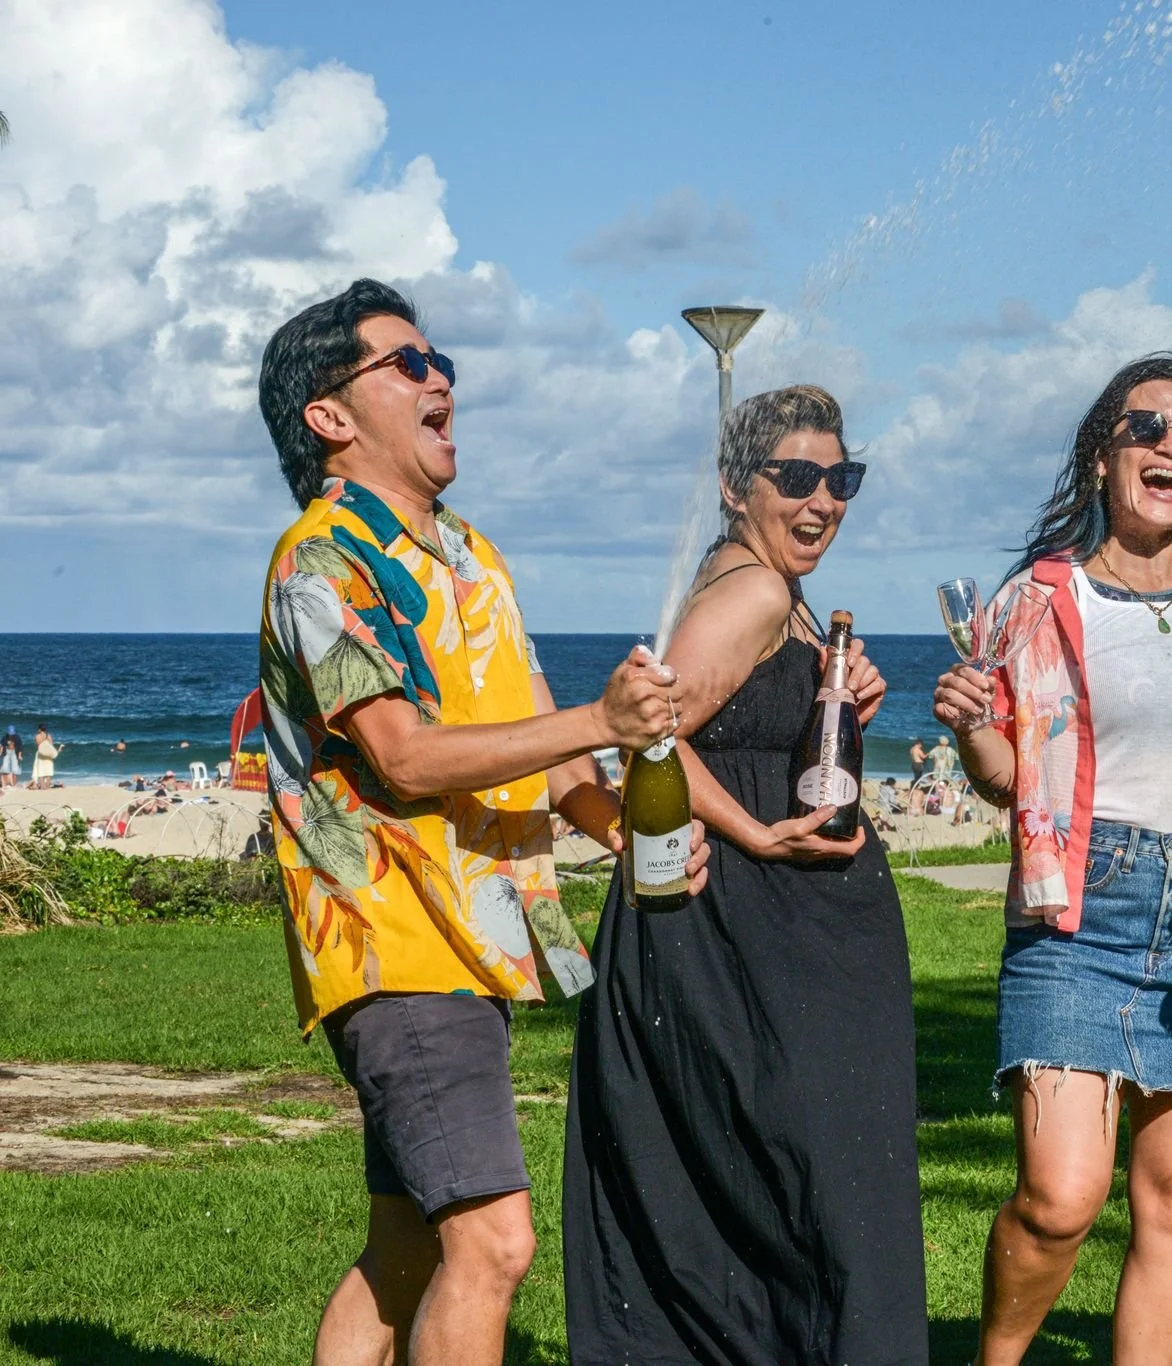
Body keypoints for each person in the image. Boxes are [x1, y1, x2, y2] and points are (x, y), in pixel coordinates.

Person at [255, 278, 708, 1366]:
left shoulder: (471, 556)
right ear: (330, 415)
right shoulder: (322, 561)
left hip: (477, 942)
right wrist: (596, 716)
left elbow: (536, 748)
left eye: (439, 358)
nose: (440, 375)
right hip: (395, 940)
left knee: (406, 1245)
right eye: (406, 363)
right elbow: (405, 754)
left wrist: (620, 825)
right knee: (494, 1244)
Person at [563, 385, 927, 1363]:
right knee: (819, 1192)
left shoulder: (770, 583)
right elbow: (656, 741)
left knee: (772, 1191)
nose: (822, 500)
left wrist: (836, 706)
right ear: (734, 487)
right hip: (748, 930)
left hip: (769, 935)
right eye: (796, 478)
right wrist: (756, 837)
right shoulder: (757, 589)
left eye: (839, 478)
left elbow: (741, 736)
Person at [931, 354, 1172, 1365]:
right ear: (1101, 453)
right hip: (1078, 911)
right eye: (1146, 427)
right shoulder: (1036, 597)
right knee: (1059, 1196)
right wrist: (964, 729)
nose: (1170, 446)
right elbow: (1006, 776)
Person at [29, 725, 60, 790]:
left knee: (41, 771)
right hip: (48, 754)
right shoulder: (49, 736)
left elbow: (38, 745)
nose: (37, 730)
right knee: (49, 770)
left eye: (38, 729)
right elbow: (51, 745)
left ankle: (42, 787)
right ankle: (47, 786)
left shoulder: (37, 736)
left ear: (40, 729)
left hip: (41, 754)